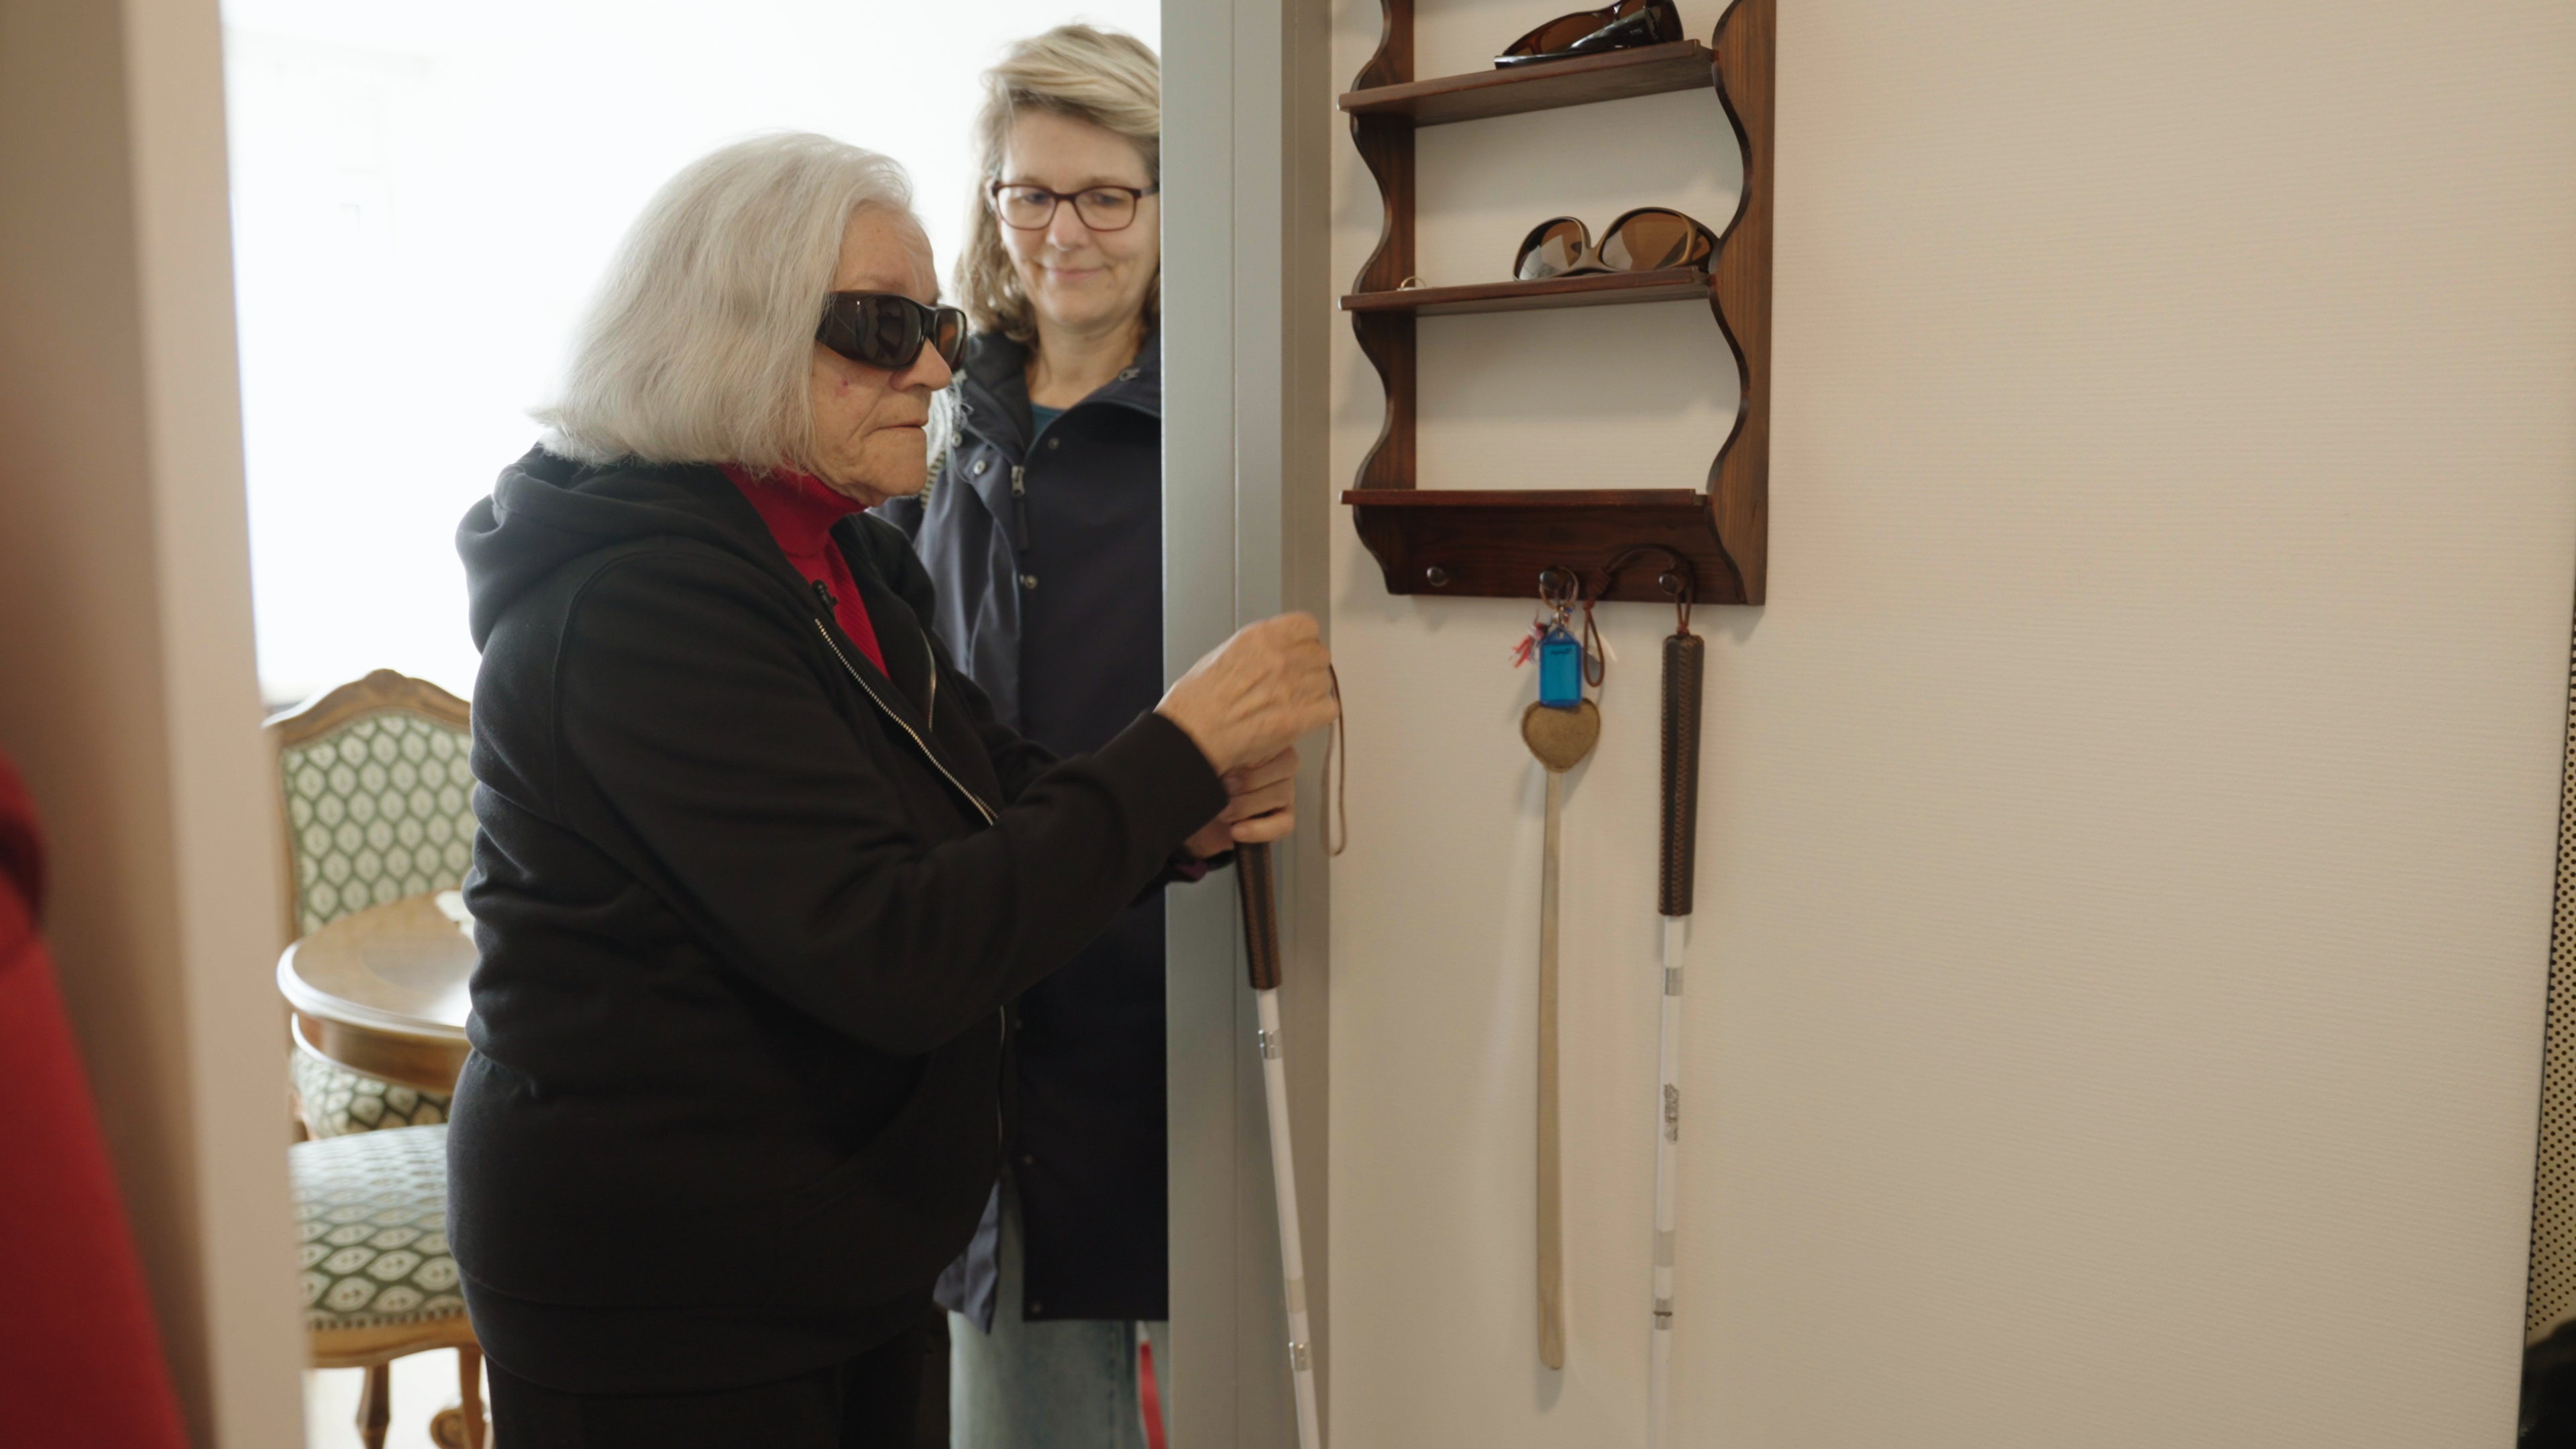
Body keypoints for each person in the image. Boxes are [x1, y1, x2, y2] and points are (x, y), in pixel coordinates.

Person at [447, 131, 1336, 1448]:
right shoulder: (635, 612)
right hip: (673, 1303)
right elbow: (898, 944)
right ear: (729, 337)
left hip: (839, 1260)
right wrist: (1174, 749)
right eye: (876, 328)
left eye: (931, 321)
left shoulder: (842, 557)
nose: (931, 365)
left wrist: (1174, 819)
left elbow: (998, 791)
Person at [875, 28, 1181, 1447]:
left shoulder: (1219, 422)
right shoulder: (932, 422)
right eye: (1030, 194)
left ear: (1171, 201)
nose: (1064, 232)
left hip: (1167, 995)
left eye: (1107, 195)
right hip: (981, 1007)